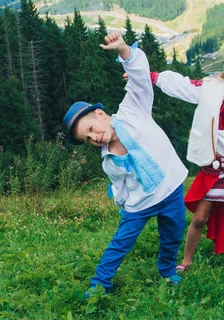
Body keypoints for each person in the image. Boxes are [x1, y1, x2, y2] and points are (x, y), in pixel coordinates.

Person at [63, 33, 189, 296]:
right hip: (139, 204)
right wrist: (124, 207)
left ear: (100, 114)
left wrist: (123, 50)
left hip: (170, 190)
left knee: (173, 234)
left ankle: (167, 270)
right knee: (120, 243)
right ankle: (99, 284)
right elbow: (120, 186)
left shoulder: (133, 110)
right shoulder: (108, 160)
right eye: (87, 139)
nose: (94, 137)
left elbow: (141, 79)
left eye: (91, 129)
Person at [151, 54, 224, 273]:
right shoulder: (209, 89)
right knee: (199, 217)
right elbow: (182, 86)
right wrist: (149, 77)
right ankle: (186, 261)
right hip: (212, 167)